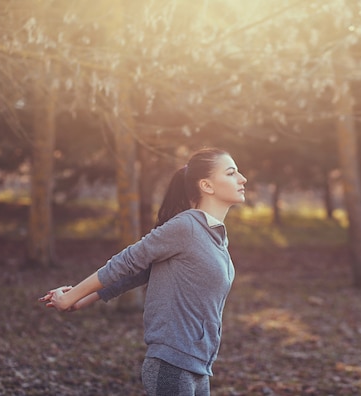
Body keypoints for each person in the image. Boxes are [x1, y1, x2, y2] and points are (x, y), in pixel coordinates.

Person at [39, 147, 247, 396]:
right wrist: (71, 297)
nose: (242, 178)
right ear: (207, 185)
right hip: (172, 364)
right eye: (231, 173)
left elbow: (142, 272)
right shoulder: (186, 226)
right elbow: (127, 261)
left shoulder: (216, 236)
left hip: (199, 366)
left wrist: (83, 300)